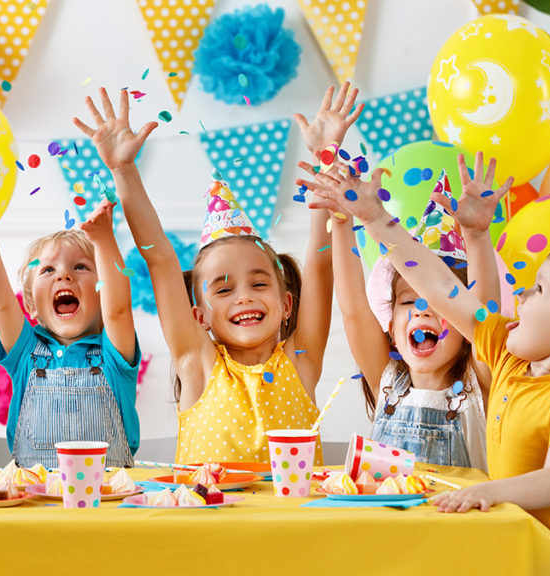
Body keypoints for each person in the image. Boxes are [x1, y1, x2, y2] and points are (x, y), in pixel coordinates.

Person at [303, 159, 550, 576]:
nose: (524, 297)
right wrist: (376, 218)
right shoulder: (508, 359)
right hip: (512, 554)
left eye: (539, 289)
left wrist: (487, 491)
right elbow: (441, 290)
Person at [72, 83, 362, 463]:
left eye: (259, 283)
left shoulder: (301, 360)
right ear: (199, 316)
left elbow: (320, 265)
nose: (244, 295)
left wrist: (327, 158)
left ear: (288, 304)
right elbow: (160, 260)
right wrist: (122, 169)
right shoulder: (198, 363)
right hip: (204, 521)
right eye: (223, 291)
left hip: (293, 524)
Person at [311, 154, 511, 469]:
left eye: (439, 304)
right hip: (388, 520)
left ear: (464, 331)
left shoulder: (480, 384)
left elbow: (483, 316)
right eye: (407, 302)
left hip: (461, 520)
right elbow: (353, 310)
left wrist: (478, 238)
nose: (420, 311)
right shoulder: (386, 381)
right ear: (390, 325)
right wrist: (341, 217)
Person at [0, 189, 140, 469]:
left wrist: (103, 240)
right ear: (31, 305)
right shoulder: (27, 352)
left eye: (80, 267)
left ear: (104, 293)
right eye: (47, 270)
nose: (64, 275)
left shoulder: (114, 354)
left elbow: (118, 310)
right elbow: (0, 303)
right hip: (32, 498)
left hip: (107, 498)